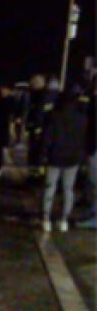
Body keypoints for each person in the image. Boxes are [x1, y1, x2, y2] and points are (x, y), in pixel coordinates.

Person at [40, 83, 87, 232]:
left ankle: (46, 219)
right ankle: (63, 220)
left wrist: (43, 155)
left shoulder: (54, 116)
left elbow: (48, 137)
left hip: (55, 156)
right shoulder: (82, 118)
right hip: (72, 158)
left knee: (50, 187)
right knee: (68, 189)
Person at [76, 75, 97, 229]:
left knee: (95, 182)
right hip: (93, 147)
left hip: (95, 147)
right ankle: (93, 211)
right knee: (92, 182)